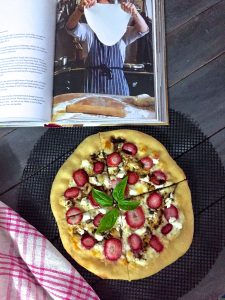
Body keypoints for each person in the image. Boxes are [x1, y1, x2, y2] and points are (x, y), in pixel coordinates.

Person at [66, 0, 149, 96]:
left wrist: (134, 12)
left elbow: (143, 30)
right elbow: (70, 28)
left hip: (118, 90)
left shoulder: (121, 31)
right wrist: (79, 10)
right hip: (91, 89)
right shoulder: (88, 31)